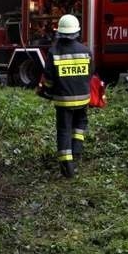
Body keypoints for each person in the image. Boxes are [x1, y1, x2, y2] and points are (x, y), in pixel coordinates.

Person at [39, 14, 92, 178]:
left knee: (64, 130)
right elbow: (91, 74)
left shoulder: (54, 52)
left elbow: (48, 78)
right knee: (80, 124)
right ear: (76, 32)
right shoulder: (85, 51)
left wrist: (46, 91)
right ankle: (76, 152)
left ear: (59, 32)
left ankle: (67, 167)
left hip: (63, 101)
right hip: (83, 98)